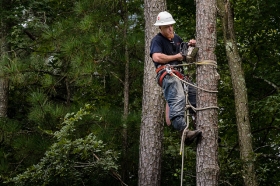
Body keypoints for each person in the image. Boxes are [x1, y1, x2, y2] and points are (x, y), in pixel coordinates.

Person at [150, 11, 201, 145]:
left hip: (180, 76)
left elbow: (184, 52)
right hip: (167, 75)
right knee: (177, 97)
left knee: (195, 95)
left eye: (171, 25)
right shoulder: (157, 40)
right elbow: (156, 57)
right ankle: (184, 131)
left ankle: (200, 128)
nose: (170, 29)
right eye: (167, 27)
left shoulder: (177, 39)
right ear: (160, 28)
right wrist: (176, 57)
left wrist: (191, 45)